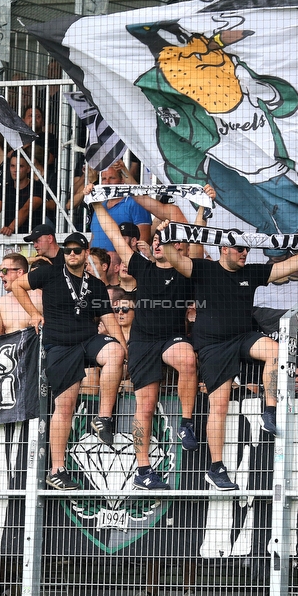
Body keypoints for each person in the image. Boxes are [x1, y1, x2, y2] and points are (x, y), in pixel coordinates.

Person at [159, 218, 298, 490]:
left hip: (243, 337)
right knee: (219, 407)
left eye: (247, 249)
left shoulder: (250, 272)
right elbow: (173, 255)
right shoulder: (202, 269)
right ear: (224, 250)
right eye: (239, 249)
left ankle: (270, 410)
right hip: (213, 346)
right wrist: (166, 235)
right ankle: (216, 468)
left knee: (277, 351)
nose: (245, 253)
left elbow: (290, 265)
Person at [91, 191, 204, 490]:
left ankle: (186, 423)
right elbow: (115, 235)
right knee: (146, 405)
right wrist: (96, 204)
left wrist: (203, 206)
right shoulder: (142, 266)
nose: (156, 244)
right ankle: (143, 470)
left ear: (176, 246)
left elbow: (197, 235)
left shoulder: (188, 267)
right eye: (154, 241)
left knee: (188, 359)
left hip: (171, 337)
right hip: (143, 341)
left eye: (162, 241)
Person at [10, 232, 127, 491]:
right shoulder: (50, 273)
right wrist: (33, 314)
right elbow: (17, 285)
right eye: (68, 250)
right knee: (65, 406)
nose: (71, 254)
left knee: (115, 353)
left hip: (87, 340)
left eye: (77, 250)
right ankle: (57, 470)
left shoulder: (95, 284)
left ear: (86, 253)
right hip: (60, 346)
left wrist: (124, 349)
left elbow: (108, 319)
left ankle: (104, 419)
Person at [0, 253, 42, 335]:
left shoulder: (39, 297)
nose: (0, 275)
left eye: (4, 271)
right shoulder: (2, 302)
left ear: (19, 272)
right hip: (10, 347)